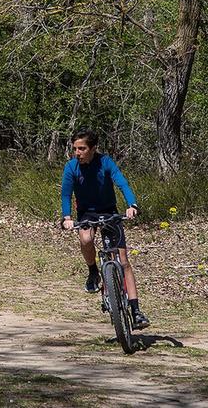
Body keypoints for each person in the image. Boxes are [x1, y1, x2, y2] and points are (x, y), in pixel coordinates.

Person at [60, 128, 150, 329]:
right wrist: (67, 217)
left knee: (124, 261)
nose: (77, 153)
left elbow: (122, 183)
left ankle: (136, 311)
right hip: (87, 213)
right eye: (75, 148)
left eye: (82, 148)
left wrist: (132, 205)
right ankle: (93, 271)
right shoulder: (71, 167)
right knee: (85, 239)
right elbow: (66, 195)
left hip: (110, 211)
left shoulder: (106, 163)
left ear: (93, 148)